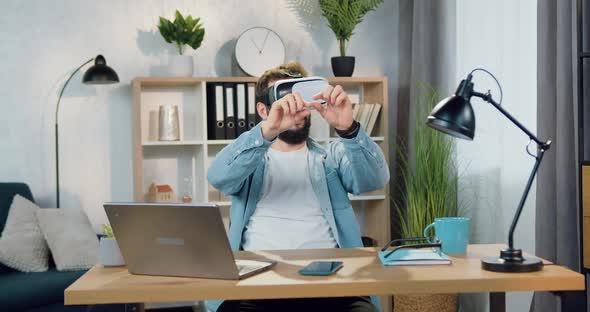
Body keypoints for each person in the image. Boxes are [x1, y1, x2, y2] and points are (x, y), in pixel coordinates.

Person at [207, 62, 390, 312]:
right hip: (258, 287)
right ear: (263, 110)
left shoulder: (333, 156)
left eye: (300, 100)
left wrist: (349, 129)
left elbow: (375, 180)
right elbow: (218, 176)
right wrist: (268, 131)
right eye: (284, 101)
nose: (295, 109)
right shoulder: (249, 162)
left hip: (331, 286)